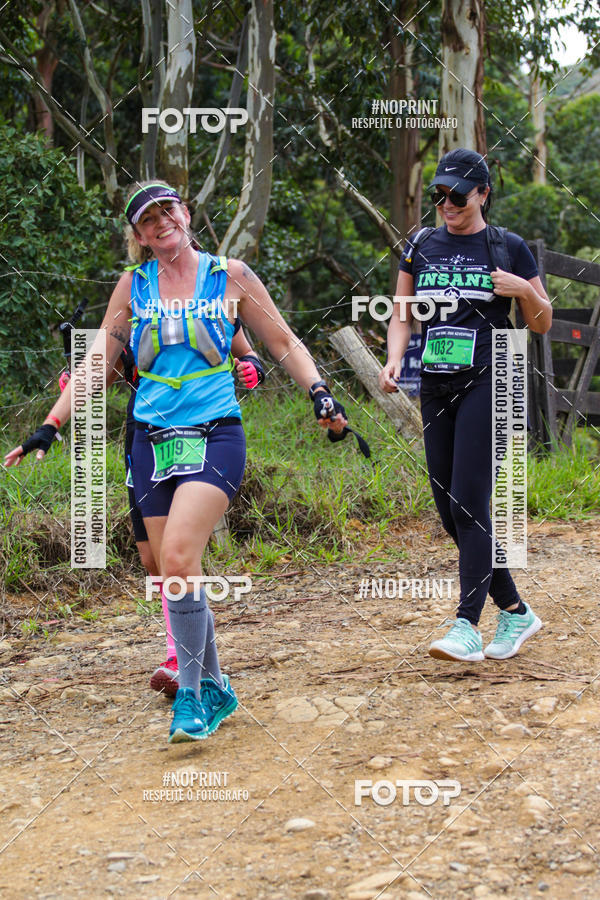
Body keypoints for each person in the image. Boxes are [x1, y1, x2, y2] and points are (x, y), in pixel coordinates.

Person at [5, 180, 348, 742]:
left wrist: (320, 392)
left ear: (186, 214)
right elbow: (98, 361)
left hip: (216, 434)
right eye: (147, 220)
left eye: (168, 212)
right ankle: (213, 683)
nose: (160, 223)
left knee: (182, 555)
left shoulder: (231, 276)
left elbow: (282, 340)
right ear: (138, 236)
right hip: (150, 440)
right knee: (169, 571)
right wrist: (51, 425)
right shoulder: (133, 286)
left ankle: (190, 697)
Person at [379, 148, 552, 662]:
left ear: (482, 194)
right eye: (439, 195)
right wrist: (394, 359)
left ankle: (466, 625)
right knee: (449, 507)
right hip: (435, 382)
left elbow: (541, 321)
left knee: (470, 499)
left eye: (456, 195)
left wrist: (524, 290)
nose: (446, 204)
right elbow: (402, 313)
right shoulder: (421, 245)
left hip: (492, 378)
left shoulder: (508, 247)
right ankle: (516, 611)